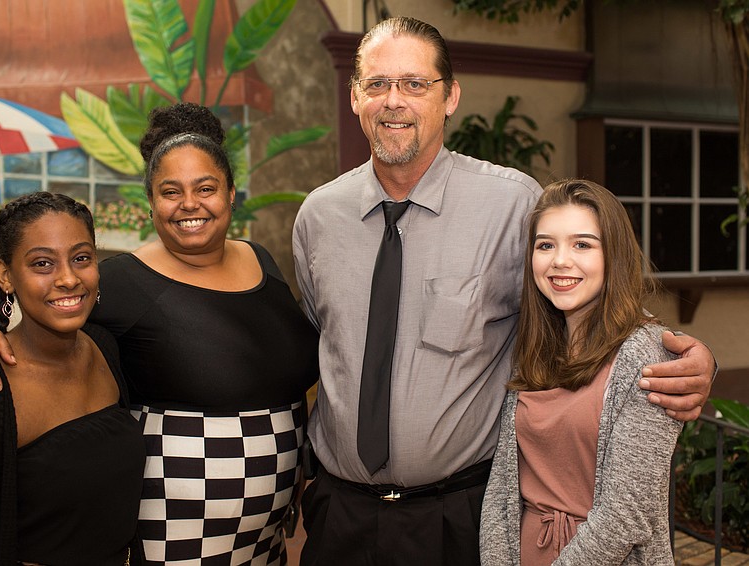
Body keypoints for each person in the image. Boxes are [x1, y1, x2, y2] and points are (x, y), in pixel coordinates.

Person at [291, 16, 715, 566]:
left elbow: (578, 296)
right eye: (377, 84)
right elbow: (320, 345)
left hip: (460, 519)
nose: (394, 100)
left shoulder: (513, 205)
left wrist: (678, 352)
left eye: (415, 84)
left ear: (450, 97)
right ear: (355, 98)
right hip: (339, 514)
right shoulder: (318, 217)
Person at [0, 103, 320, 565]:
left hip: (269, 533)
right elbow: (53, 308)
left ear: (231, 194)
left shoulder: (261, 260)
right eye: (170, 191)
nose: (190, 204)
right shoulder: (123, 280)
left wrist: (297, 459)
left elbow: (282, 375)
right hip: (176, 531)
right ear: (151, 202)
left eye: (206, 188)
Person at [0, 192, 145, 564]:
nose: (69, 278)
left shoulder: (105, 347)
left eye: (82, 258)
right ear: (6, 275)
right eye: (42, 263)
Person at [479, 179, 682, 565]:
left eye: (582, 244)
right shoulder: (534, 350)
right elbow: (502, 489)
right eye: (545, 245)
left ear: (614, 256)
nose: (559, 260)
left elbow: (627, 514)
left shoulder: (646, 354)